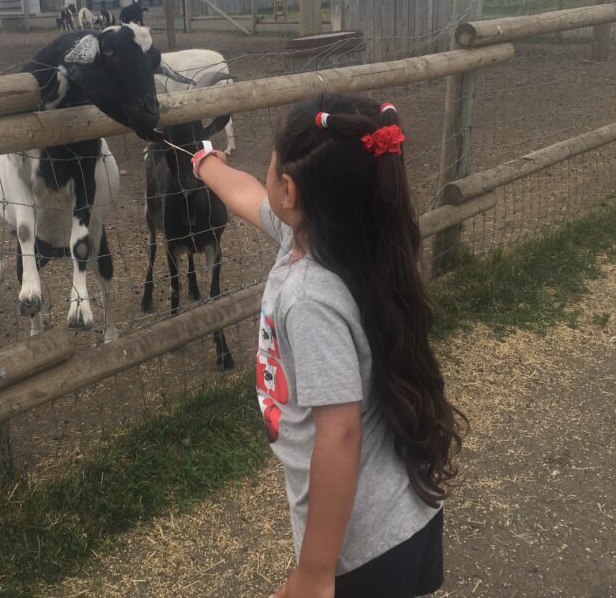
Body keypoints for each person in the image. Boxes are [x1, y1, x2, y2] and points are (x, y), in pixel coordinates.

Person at [193, 95, 466, 598]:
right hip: (408, 518)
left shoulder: (308, 297)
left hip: (362, 550)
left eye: (272, 164)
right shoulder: (349, 239)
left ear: (292, 191)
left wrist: (314, 572)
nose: (266, 174)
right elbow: (244, 192)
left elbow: (339, 435)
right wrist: (206, 162)